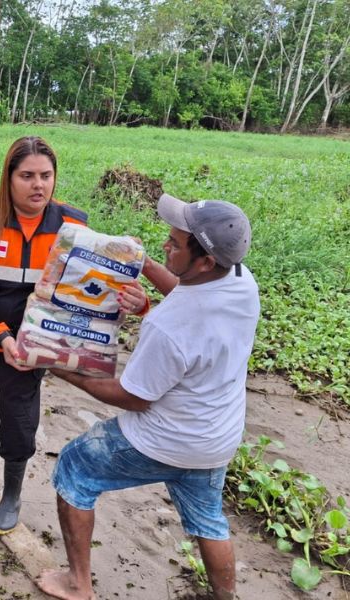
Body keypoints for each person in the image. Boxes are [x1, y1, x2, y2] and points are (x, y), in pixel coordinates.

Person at [37, 194, 260, 600]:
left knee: (75, 466)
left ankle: (78, 583)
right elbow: (185, 288)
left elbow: (133, 397)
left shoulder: (170, 326)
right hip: (216, 438)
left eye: (174, 244)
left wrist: (61, 369)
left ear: (206, 261)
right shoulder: (242, 283)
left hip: (165, 439)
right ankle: (226, 596)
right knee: (208, 519)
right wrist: (145, 264)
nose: (165, 245)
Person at [0, 136, 148, 535]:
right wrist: (1, 337)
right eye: (27, 176)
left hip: (33, 348)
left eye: (46, 176)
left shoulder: (72, 227)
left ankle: (12, 492)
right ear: (8, 178)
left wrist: (135, 300)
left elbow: (99, 288)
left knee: (19, 419)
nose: (38, 185)